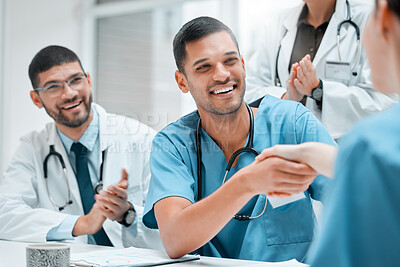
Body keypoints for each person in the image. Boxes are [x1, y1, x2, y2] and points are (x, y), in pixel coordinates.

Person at [142, 16, 336, 262]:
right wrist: (247, 183)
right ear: (182, 82)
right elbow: (174, 239)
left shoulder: (293, 124)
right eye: (204, 67)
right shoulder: (173, 145)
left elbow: (355, 200)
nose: (222, 75)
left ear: (243, 65)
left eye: (230, 61)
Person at [256, 1, 400, 264]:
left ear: (384, 21)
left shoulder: (369, 146)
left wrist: (320, 90)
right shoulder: (279, 22)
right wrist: (308, 147)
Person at [0, 45, 162, 249]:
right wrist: (81, 224)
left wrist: (126, 213)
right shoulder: (32, 148)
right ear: (36, 99)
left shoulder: (141, 138)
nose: (69, 93)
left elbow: (173, 223)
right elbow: (4, 214)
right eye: (53, 87)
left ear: (89, 81)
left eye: (76, 80)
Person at [245, 0, 397, 139]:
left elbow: (387, 102)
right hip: (285, 147)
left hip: (343, 152)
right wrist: (285, 97)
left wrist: (319, 91)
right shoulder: (278, 22)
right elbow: (249, 89)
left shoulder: (371, 18)